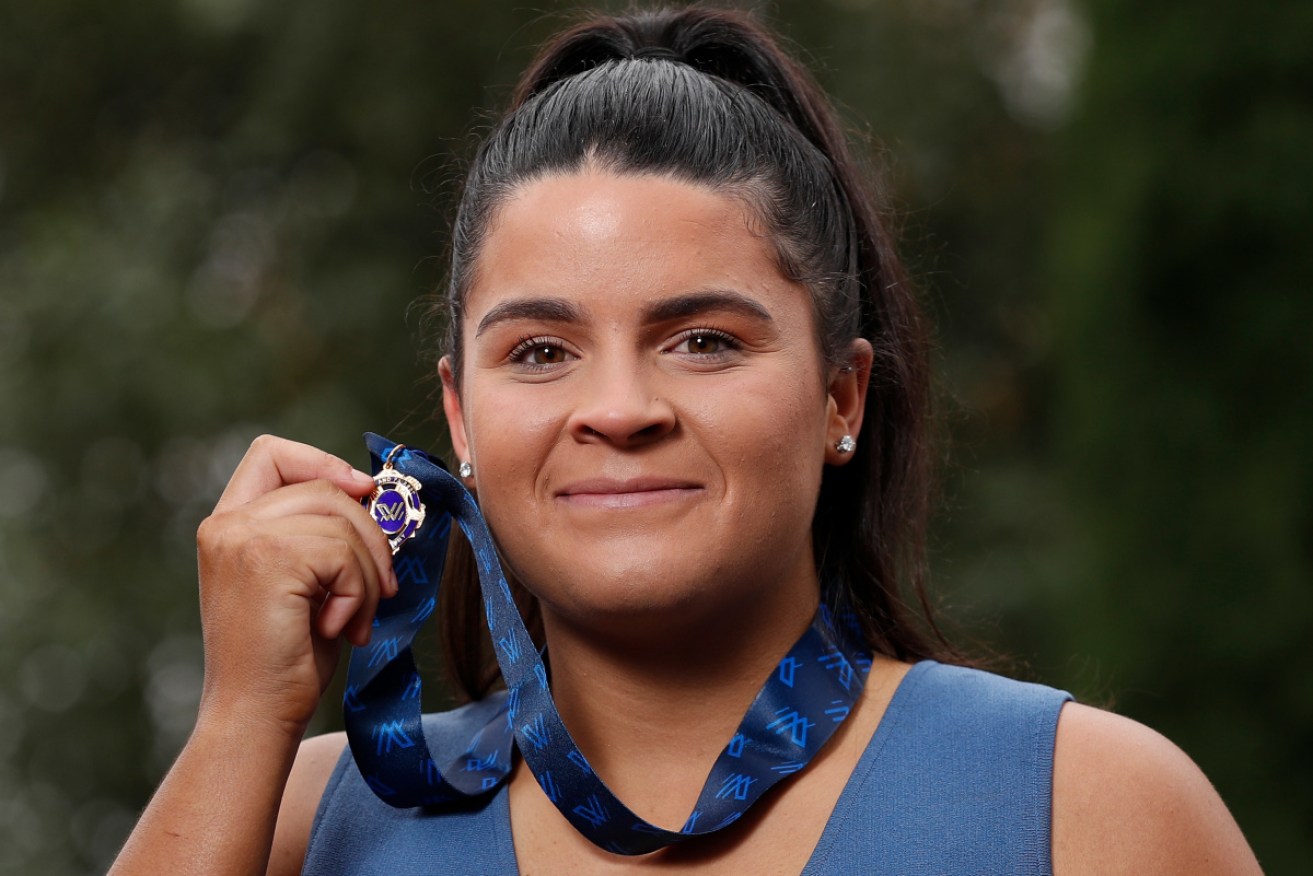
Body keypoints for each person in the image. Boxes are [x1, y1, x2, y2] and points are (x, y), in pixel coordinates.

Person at [110, 6, 1261, 874]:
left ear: (840, 399)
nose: (617, 407)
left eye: (703, 340)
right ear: (459, 420)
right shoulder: (299, 819)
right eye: (541, 352)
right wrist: (238, 722)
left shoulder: (1088, 812)